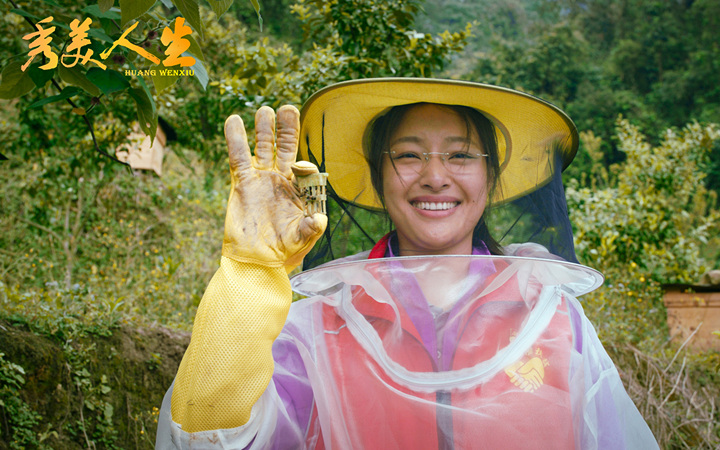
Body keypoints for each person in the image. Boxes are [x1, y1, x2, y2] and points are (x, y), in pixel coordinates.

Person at [156, 78, 659, 449]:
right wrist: (251, 272)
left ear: (492, 178)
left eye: (460, 155)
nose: (435, 177)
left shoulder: (552, 317)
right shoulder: (319, 325)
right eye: (409, 155)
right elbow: (209, 437)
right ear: (378, 177)